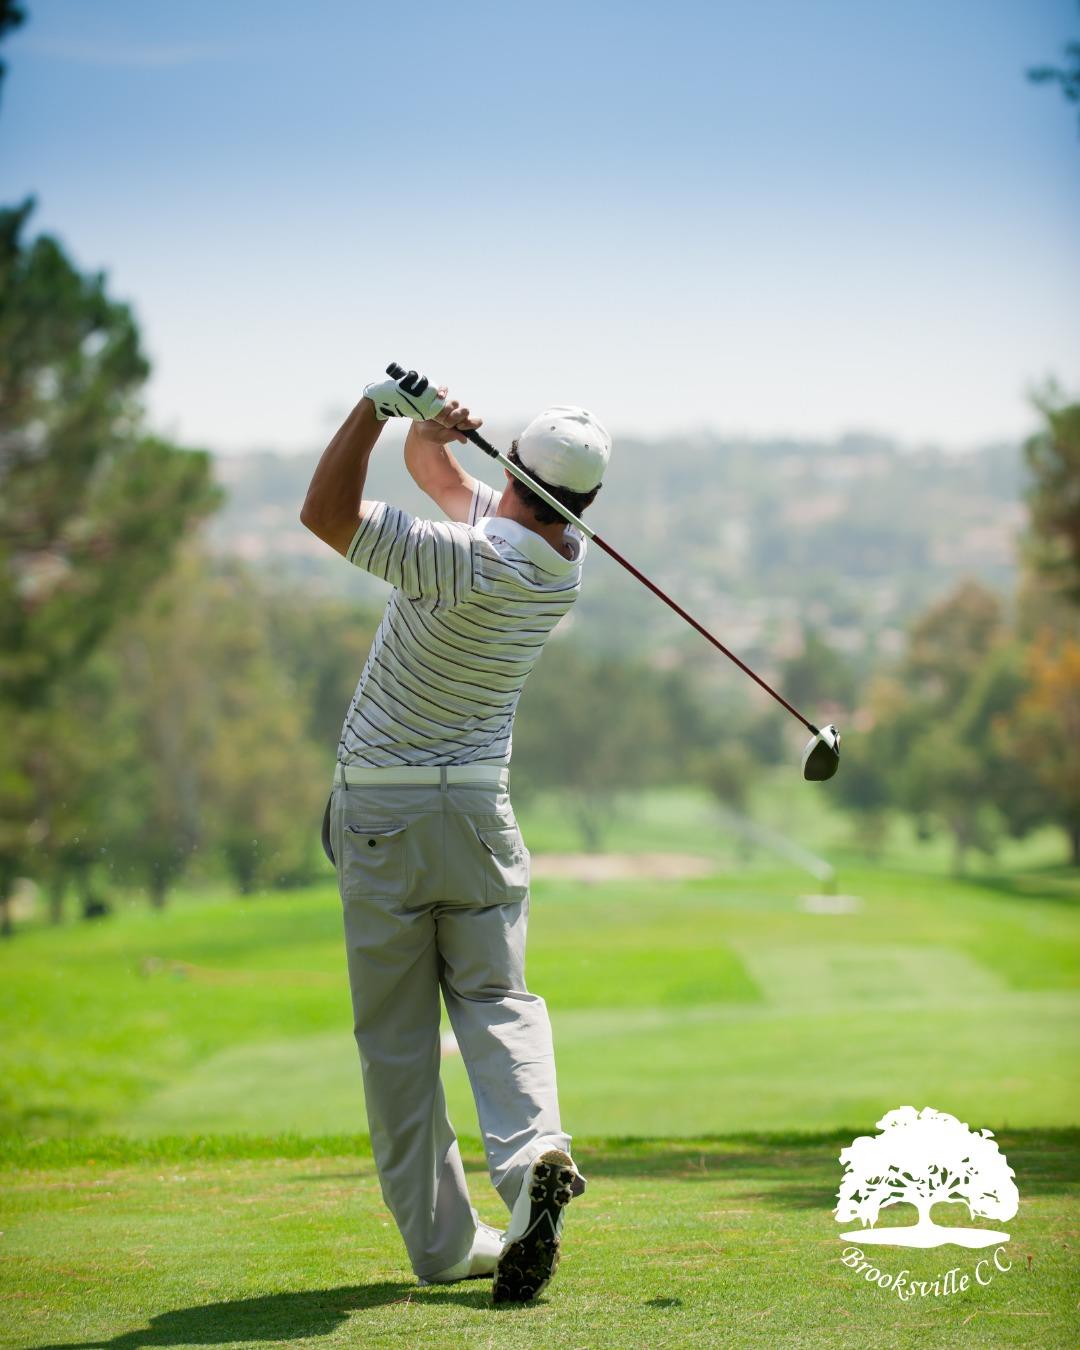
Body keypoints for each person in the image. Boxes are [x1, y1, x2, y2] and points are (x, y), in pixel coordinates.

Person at [299, 365, 612, 1304]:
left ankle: (442, 1247)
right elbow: (440, 477)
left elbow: (324, 513)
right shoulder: (563, 561)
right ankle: (534, 1159)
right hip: (479, 819)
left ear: (510, 471)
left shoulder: (455, 557)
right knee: (498, 1001)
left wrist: (372, 407)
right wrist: (429, 430)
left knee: (399, 1045)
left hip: (384, 818)